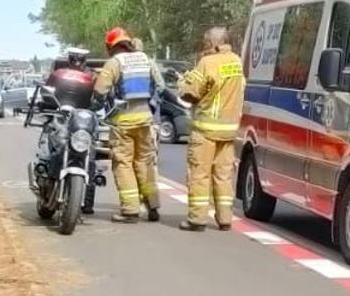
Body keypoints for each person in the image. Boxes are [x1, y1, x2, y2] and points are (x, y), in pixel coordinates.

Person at [177, 27, 246, 231]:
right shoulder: (236, 61)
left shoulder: (207, 63)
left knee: (200, 175)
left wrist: (183, 83)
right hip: (229, 130)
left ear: (213, 43)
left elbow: (191, 93)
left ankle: (197, 219)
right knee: (223, 176)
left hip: (206, 129)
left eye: (206, 43)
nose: (204, 46)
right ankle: (225, 219)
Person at [93, 27, 163, 222]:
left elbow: (100, 90)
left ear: (111, 46)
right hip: (145, 120)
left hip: (123, 122)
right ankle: (153, 206)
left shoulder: (115, 62)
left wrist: (94, 105)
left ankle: (130, 210)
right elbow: (161, 86)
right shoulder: (146, 60)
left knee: (123, 164)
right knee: (144, 163)